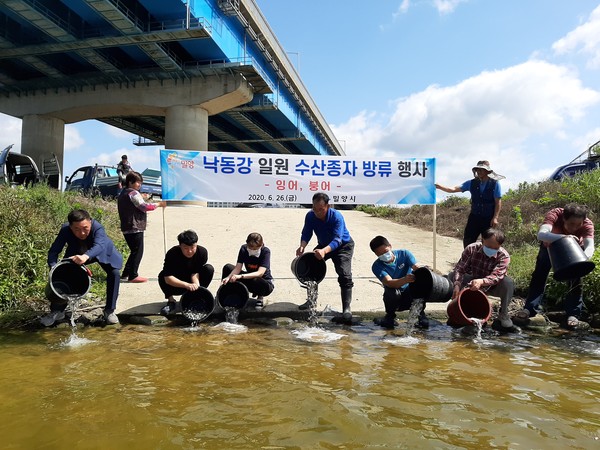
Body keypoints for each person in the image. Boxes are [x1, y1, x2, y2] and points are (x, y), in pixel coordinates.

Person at [514, 203, 594, 328]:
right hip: (549, 246)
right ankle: (529, 309)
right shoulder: (555, 214)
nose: (575, 227)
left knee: (575, 280)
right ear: (564, 219)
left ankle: (573, 314)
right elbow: (541, 235)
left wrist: (583, 260)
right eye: (572, 224)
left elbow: (590, 246)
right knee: (539, 276)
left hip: (574, 249)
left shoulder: (587, 224)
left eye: (579, 224)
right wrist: (565, 237)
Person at [43, 209, 122, 326]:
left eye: (85, 228)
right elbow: (54, 251)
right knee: (63, 273)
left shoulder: (98, 227)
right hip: (77, 252)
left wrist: (86, 256)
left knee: (114, 274)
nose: (82, 233)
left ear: (90, 222)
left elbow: (100, 245)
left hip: (101, 252)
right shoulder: (65, 230)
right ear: (70, 227)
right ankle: (57, 311)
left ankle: (109, 311)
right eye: (77, 229)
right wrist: (53, 267)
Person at [296, 192, 354, 321]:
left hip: (343, 246)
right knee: (311, 267)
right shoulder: (310, 216)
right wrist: (302, 246)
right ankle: (311, 301)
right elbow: (306, 232)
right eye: (314, 209)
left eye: (320, 210)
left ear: (327, 206)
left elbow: (338, 239)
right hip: (323, 244)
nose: (317, 212)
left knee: (344, 273)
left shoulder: (337, 216)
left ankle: (346, 308)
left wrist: (324, 251)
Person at [449, 227, 514, 328]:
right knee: (452, 276)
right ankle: (457, 309)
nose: (491, 250)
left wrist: (482, 282)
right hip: (472, 280)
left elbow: (497, 276)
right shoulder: (471, 248)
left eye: (495, 248)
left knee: (508, 283)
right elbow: (460, 269)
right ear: (483, 240)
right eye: (489, 246)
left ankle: (503, 314)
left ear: (500, 246)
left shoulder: (504, 256)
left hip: (492, 285)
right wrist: (457, 285)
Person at [436, 160, 504, 248]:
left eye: (481, 170)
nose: (478, 172)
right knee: (468, 239)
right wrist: (439, 186)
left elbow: (498, 201)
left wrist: (495, 217)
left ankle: (483, 260)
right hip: (474, 216)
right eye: (477, 170)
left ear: (487, 171)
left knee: (487, 241)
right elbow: (453, 189)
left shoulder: (495, 184)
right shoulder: (471, 183)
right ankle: (468, 258)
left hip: (488, 218)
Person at [369, 235, 429, 329]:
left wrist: (422, 272)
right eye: (380, 255)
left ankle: (421, 314)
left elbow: (416, 267)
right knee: (390, 291)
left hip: (411, 292)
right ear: (376, 254)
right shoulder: (377, 266)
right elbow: (389, 282)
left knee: (420, 285)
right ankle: (390, 316)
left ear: (390, 246)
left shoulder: (404, 254)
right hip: (395, 297)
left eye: (385, 252)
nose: (384, 255)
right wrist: (405, 279)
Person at [117, 171, 165, 283]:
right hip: (135, 226)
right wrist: (158, 204)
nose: (139, 184)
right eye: (137, 182)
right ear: (130, 182)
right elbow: (144, 207)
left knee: (134, 250)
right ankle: (133, 275)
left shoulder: (123, 193)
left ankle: (126, 274)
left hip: (127, 226)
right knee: (138, 251)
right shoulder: (133, 193)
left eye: (140, 182)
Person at [158, 229, 214, 315]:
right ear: (180, 246)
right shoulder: (172, 253)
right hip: (177, 283)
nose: (190, 251)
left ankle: (198, 296)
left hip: (191, 280)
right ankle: (171, 300)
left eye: (192, 247)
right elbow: (168, 278)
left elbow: (195, 273)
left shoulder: (202, 252)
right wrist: (186, 285)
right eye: (186, 248)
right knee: (162, 275)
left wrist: (196, 287)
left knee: (209, 269)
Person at [221, 232, 274, 311]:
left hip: (263, 283)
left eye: (255, 249)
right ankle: (229, 293)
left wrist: (240, 276)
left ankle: (260, 296)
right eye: (250, 247)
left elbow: (260, 273)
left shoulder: (265, 252)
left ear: (261, 245)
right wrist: (228, 277)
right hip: (249, 278)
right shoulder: (243, 249)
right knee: (228, 268)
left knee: (257, 279)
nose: (252, 250)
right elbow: (238, 268)